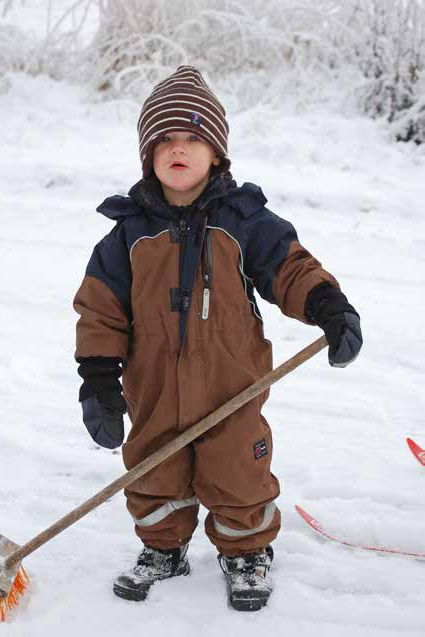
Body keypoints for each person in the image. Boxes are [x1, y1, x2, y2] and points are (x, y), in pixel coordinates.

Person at [73, 65, 362, 611]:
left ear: (216, 153)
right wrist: (97, 381)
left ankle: (246, 550)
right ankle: (163, 547)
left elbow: (290, 269)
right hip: (154, 390)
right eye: (164, 141)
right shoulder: (127, 235)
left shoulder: (244, 220)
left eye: (192, 139)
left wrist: (329, 306)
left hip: (232, 386)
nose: (177, 150)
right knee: (153, 471)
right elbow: (99, 311)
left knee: (239, 473)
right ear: (147, 155)